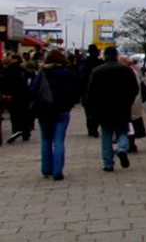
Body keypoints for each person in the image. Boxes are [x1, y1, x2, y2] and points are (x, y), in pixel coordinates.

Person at [28, 49, 81, 180]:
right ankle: (58, 171)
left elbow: (33, 90)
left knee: (46, 140)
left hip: (44, 111)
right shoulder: (67, 73)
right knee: (58, 140)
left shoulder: (42, 73)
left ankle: (46, 169)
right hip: (62, 110)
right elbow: (74, 91)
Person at [85, 46, 139, 172]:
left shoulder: (97, 71)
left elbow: (91, 92)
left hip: (103, 108)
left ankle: (108, 163)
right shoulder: (126, 70)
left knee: (106, 134)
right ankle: (122, 148)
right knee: (122, 130)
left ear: (105, 56)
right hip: (122, 107)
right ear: (116, 56)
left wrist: (93, 109)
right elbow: (134, 88)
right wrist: (128, 102)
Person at [2, 52, 34, 144]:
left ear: (14, 59)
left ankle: (16, 130)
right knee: (24, 113)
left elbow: (5, 83)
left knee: (15, 115)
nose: (7, 58)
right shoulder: (23, 70)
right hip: (24, 95)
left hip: (13, 96)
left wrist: (6, 94)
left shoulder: (9, 70)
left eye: (9, 57)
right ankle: (26, 132)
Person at [77, 44, 104, 137]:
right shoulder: (101, 63)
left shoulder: (84, 63)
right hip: (100, 90)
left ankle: (91, 128)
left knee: (88, 111)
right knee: (98, 110)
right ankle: (95, 127)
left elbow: (80, 77)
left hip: (86, 90)